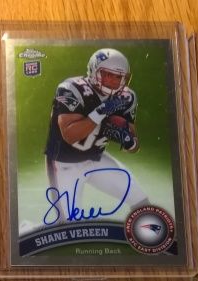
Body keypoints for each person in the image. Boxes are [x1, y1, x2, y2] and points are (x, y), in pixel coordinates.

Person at [41, 48, 150, 229]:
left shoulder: (127, 97)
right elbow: (69, 135)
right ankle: (28, 230)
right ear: (94, 70)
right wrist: (101, 111)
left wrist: (128, 140)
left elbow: (134, 145)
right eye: (108, 74)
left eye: (118, 77)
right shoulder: (71, 88)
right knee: (68, 227)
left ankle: (150, 236)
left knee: (141, 201)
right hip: (64, 164)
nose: (113, 81)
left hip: (95, 159)